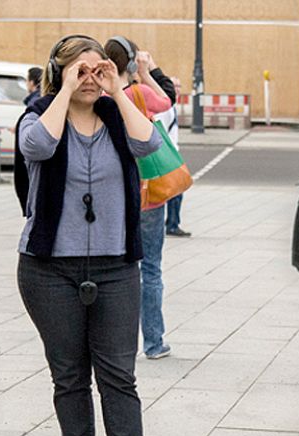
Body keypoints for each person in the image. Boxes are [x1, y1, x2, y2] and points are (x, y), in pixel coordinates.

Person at [15, 35, 161, 436]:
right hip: (49, 269)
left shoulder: (116, 116)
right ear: (57, 72)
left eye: (99, 69)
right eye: (81, 70)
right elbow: (37, 146)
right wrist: (64, 89)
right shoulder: (38, 115)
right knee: (70, 377)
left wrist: (117, 89)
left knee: (119, 377)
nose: (91, 79)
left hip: (115, 267)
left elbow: (148, 143)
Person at [104, 36, 175, 360]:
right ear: (131, 63)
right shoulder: (139, 93)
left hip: (114, 192)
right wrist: (147, 73)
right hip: (149, 194)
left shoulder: (99, 98)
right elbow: (168, 101)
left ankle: (114, 342)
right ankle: (154, 342)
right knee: (152, 269)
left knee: (116, 269)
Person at [161, 77, 192, 237]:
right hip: (168, 154)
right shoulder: (166, 107)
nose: (178, 89)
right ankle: (172, 224)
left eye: (179, 86)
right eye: (175, 86)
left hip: (172, 152)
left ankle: (171, 222)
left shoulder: (171, 106)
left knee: (175, 190)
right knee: (176, 190)